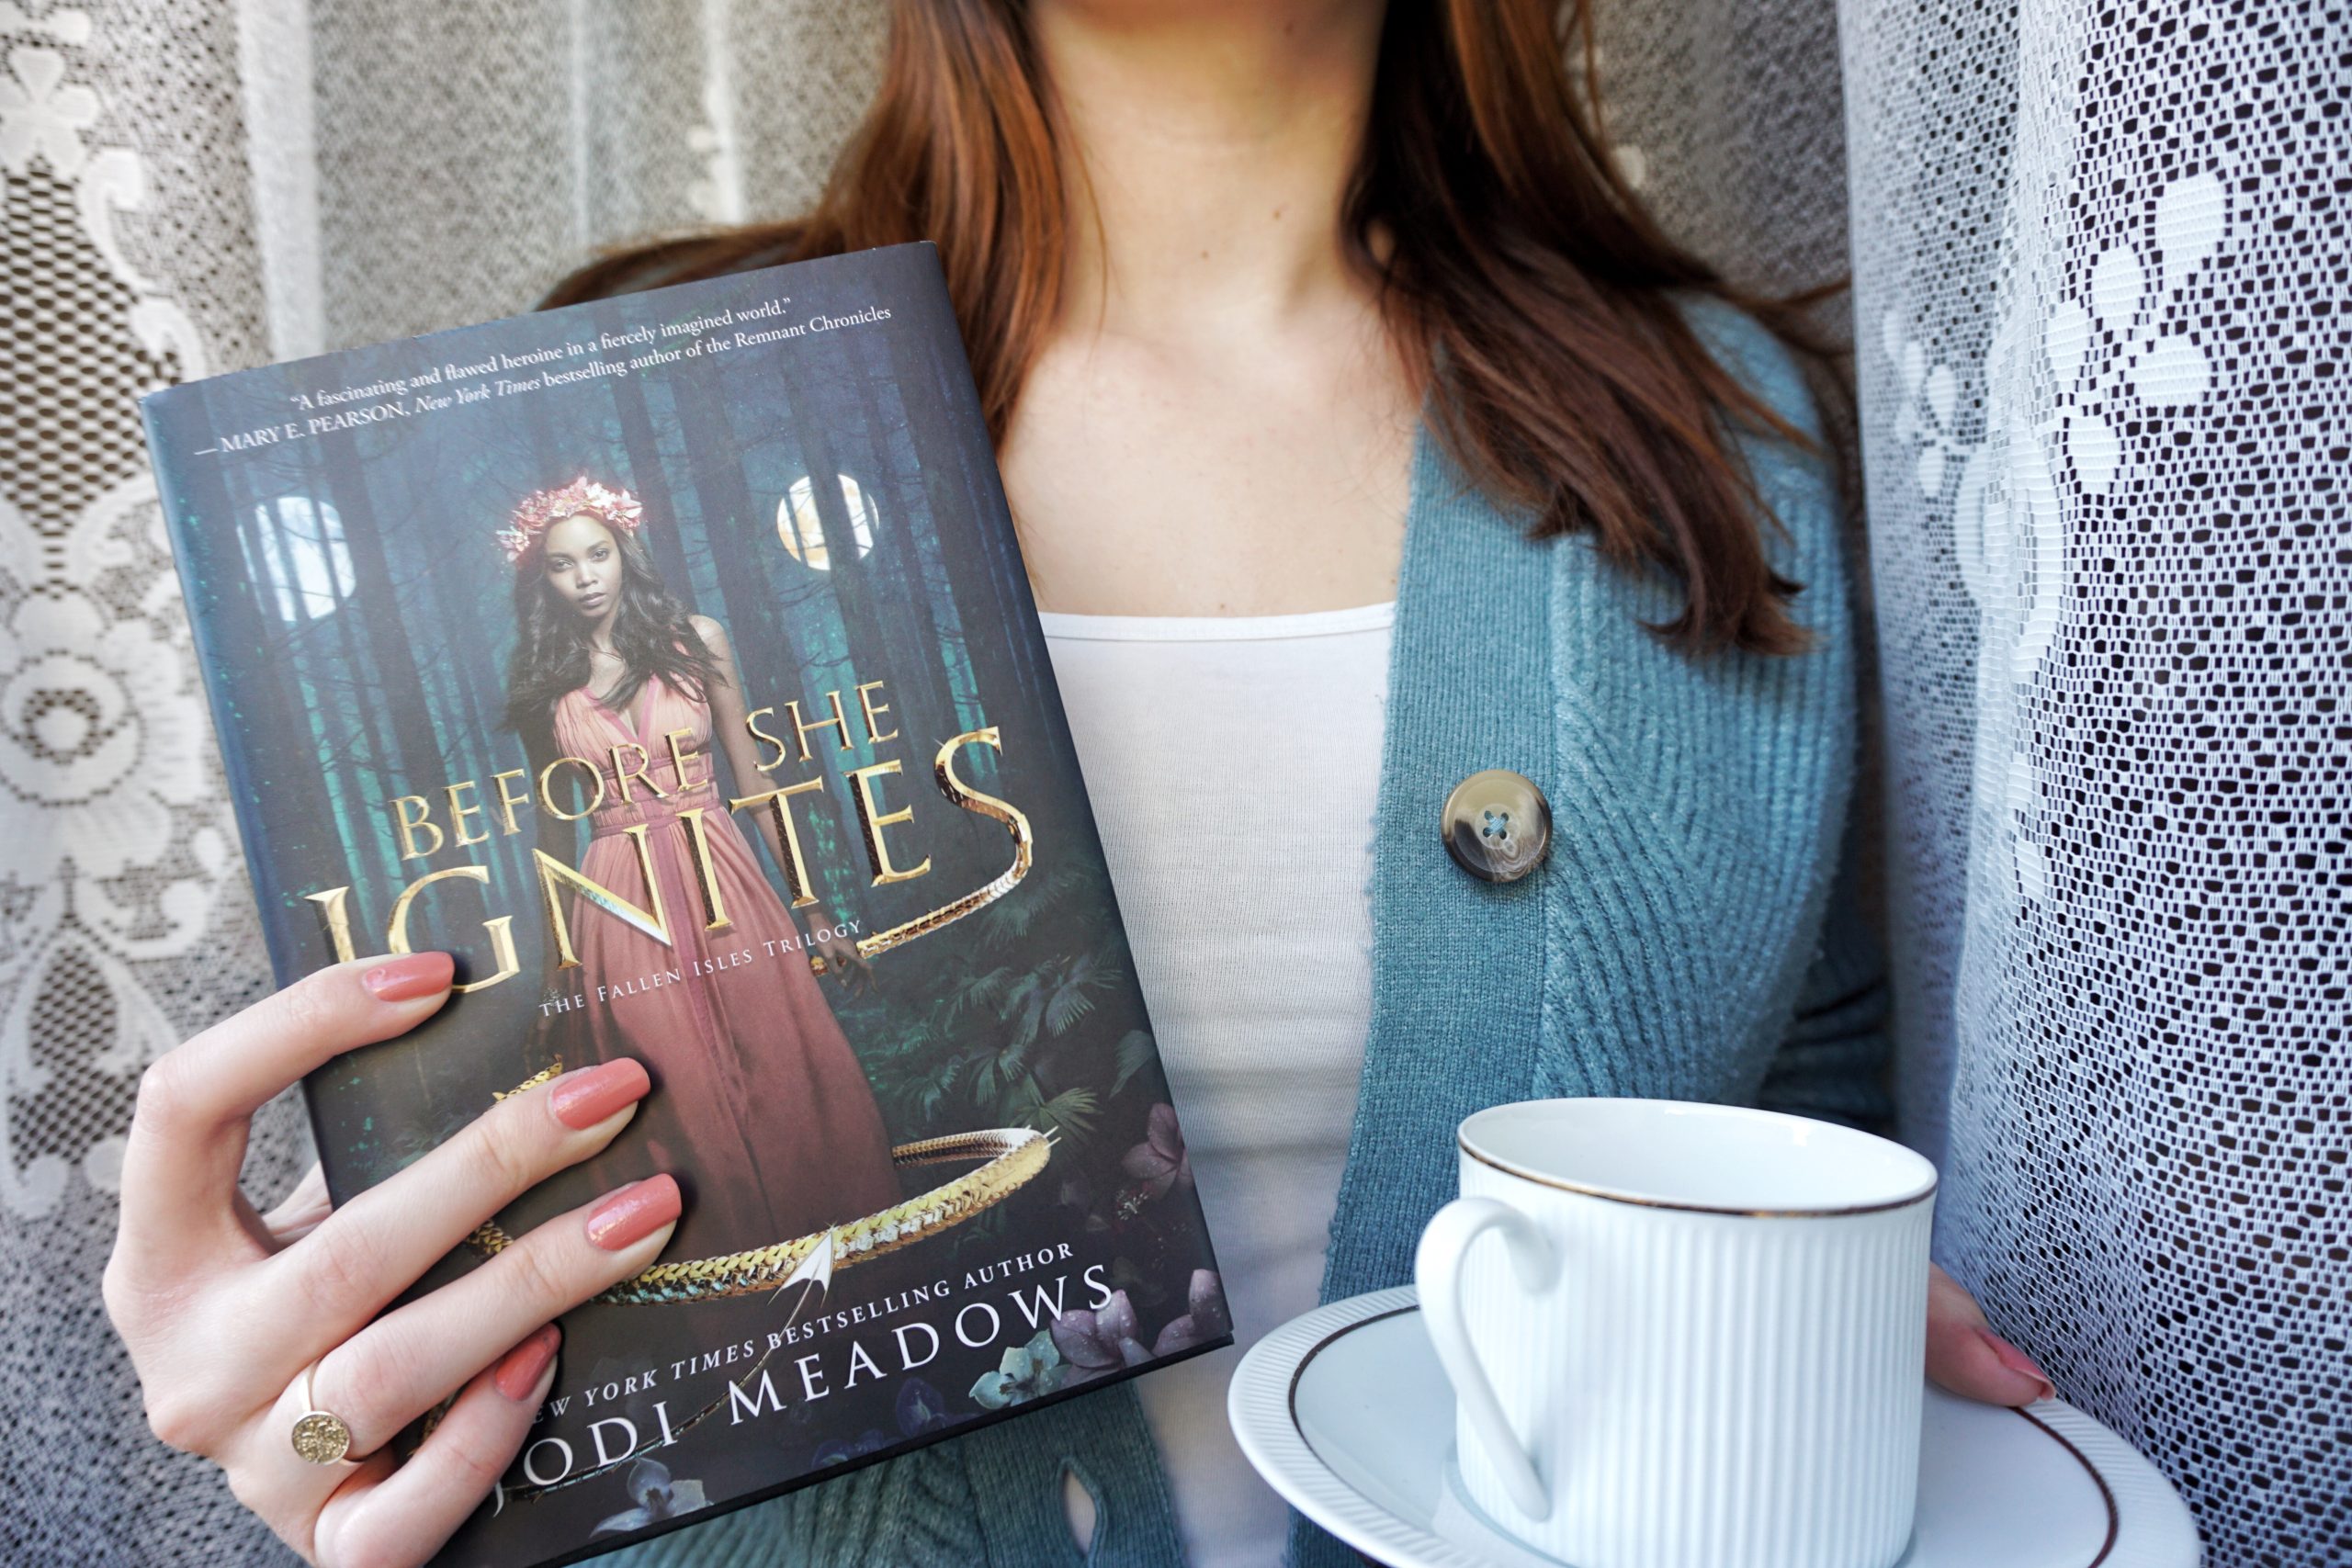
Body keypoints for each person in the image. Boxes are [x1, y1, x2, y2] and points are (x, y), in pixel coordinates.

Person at [102, 3, 2059, 1565]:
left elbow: (1799, 1122)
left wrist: (1801, 1317)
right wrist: (356, 1415)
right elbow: (526, 1283)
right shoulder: (625, 399)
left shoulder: (1719, 435)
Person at [498, 476, 901, 1258]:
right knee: (677, 1096)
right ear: (540, 579)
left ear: (625, 555)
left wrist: (815, 911)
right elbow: (552, 838)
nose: (584, 577)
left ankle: (841, 1268)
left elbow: (755, 785)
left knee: (781, 1061)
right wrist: (559, 970)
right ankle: (734, 1297)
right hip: (616, 900)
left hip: (722, 869)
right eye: (561, 564)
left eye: (597, 554)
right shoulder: (544, 691)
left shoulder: (698, 641)